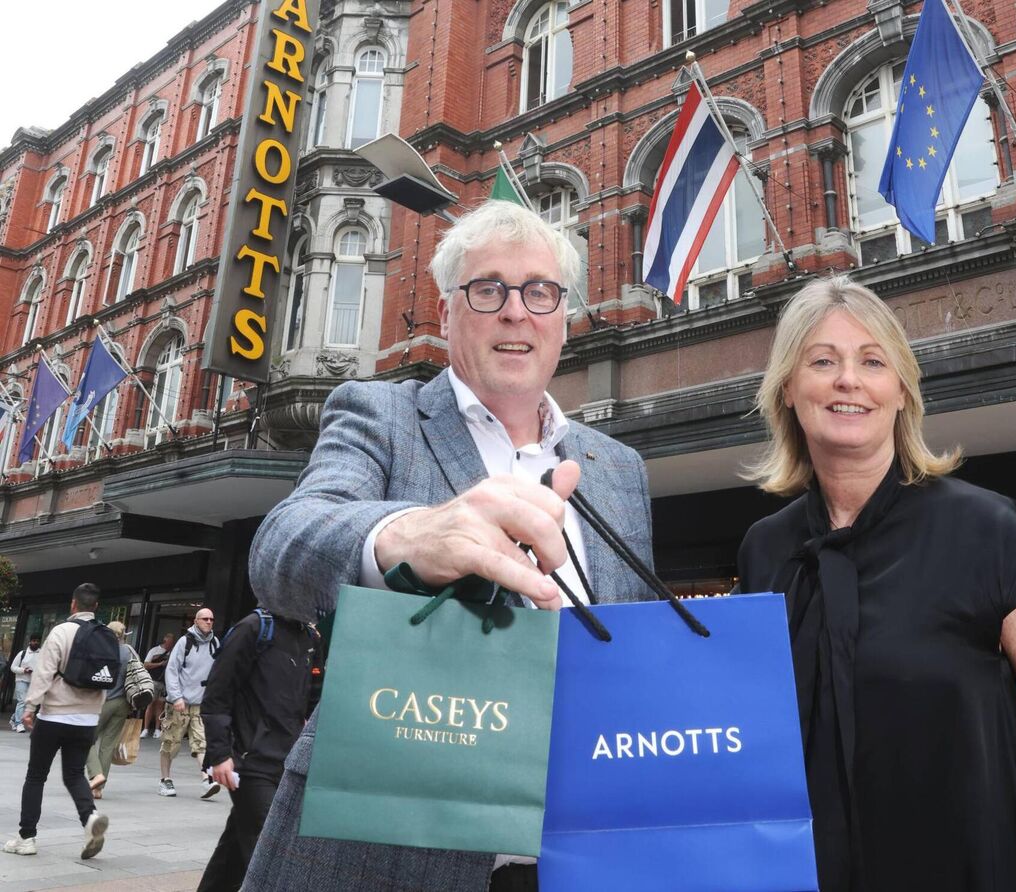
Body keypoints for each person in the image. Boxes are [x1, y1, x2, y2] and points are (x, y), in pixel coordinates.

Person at [243, 200, 655, 892]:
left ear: (563, 316)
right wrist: (406, 535)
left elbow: (634, 656)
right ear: (447, 314)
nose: (516, 312)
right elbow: (280, 549)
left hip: (576, 860)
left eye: (540, 291)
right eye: (488, 289)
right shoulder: (380, 414)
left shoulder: (619, 470)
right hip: (384, 853)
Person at [735, 277, 1016, 891]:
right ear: (788, 387)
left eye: (873, 361)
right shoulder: (764, 549)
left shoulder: (985, 529)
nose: (849, 380)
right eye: (822, 360)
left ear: (900, 391)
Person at [197, 609, 322, 891]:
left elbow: (314, 699)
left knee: (233, 854)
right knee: (271, 852)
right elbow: (217, 696)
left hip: (287, 761)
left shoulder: (310, 636)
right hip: (249, 762)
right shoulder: (252, 629)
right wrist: (219, 755)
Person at [3, 584, 111, 860]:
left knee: (36, 775)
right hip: (86, 720)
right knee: (74, 773)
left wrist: (30, 707)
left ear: (73, 604)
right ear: (95, 607)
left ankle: (27, 837)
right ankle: (89, 818)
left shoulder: (61, 632)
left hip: (54, 716)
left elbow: (45, 672)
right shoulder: (106, 635)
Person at [159, 608, 221, 799]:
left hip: (200, 703)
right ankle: (165, 780)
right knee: (171, 742)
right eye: (205, 619)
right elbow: (172, 670)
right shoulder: (184, 642)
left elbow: (217, 671)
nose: (209, 622)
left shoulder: (215, 642)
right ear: (196, 621)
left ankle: (206, 780)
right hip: (180, 702)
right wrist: (176, 697)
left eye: (211, 618)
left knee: (201, 742)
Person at [85, 621, 149, 798]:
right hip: (123, 703)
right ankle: (99, 788)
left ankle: (95, 774)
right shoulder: (128, 651)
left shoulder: (101, 650)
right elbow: (139, 669)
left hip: (103, 701)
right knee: (108, 745)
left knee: (85, 738)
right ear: (122, 635)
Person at [142, 631, 175, 738]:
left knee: (160, 706)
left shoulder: (173, 652)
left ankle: (157, 729)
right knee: (150, 704)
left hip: (165, 682)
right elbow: (146, 665)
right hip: (154, 680)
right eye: (169, 642)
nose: (170, 645)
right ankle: (146, 728)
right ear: (165, 640)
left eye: (172, 643)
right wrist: (160, 664)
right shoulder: (155, 650)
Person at [8, 633, 40, 733]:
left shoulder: (42, 653)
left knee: (28, 703)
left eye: (38, 641)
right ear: (30, 641)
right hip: (21, 680)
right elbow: (13, 667)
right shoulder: (23, 653)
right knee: (22, 701)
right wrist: (24, 670)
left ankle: (13, 719)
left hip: (33, 681)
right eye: (34, 641)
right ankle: (18, 723)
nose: (36, 643)